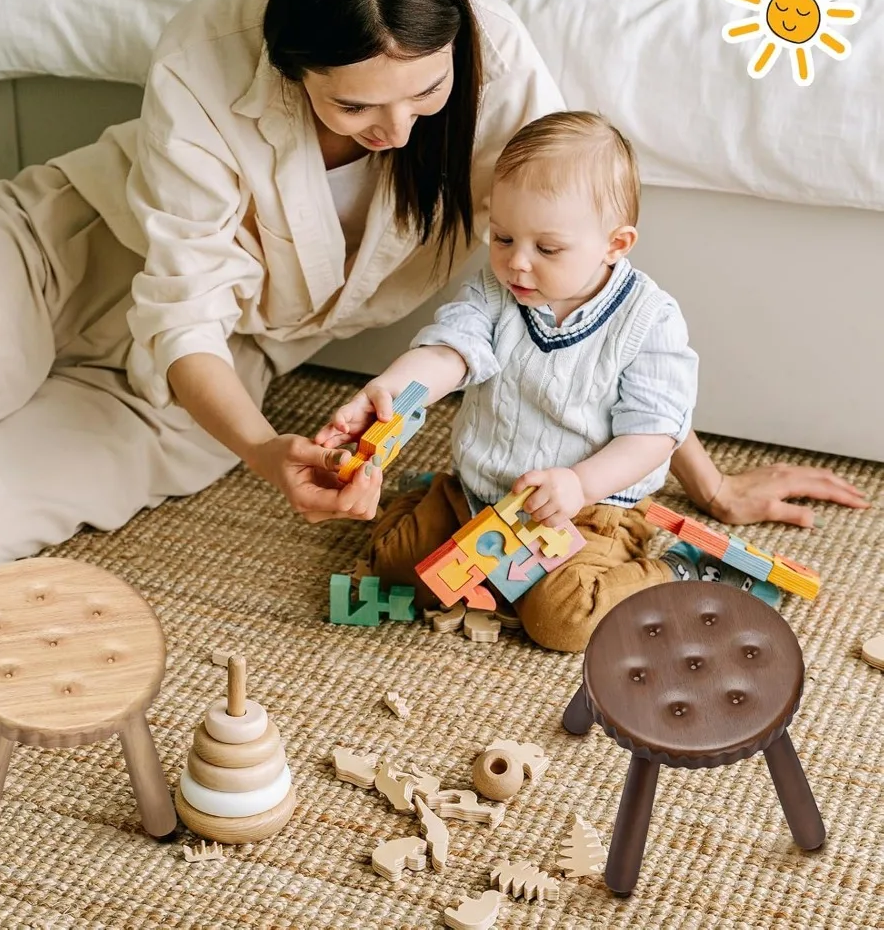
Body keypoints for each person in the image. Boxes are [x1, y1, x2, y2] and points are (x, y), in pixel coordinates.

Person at [0, 0, 866, 604]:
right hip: (61, 261)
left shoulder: (498, 76)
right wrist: (267, 449)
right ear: (290, 66)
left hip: (205, 380)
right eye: (354, 108)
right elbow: (176, 310)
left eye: (425, 92)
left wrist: (707, 482)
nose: (397, 129)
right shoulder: (211, 49)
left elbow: (597, 304)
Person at [314, 112, 856, 652]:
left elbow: (654, 434)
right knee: (394, 565)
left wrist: (582, 484)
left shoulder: (648, 319)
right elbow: (449, 351)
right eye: (502, 237)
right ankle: (429, 501)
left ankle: (677, 571)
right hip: (478, 493)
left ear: (615, 244)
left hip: (591, 510)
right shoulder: (495, 293)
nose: (517, 264)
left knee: (563, 620)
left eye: (546, 249)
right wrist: (388, 388)